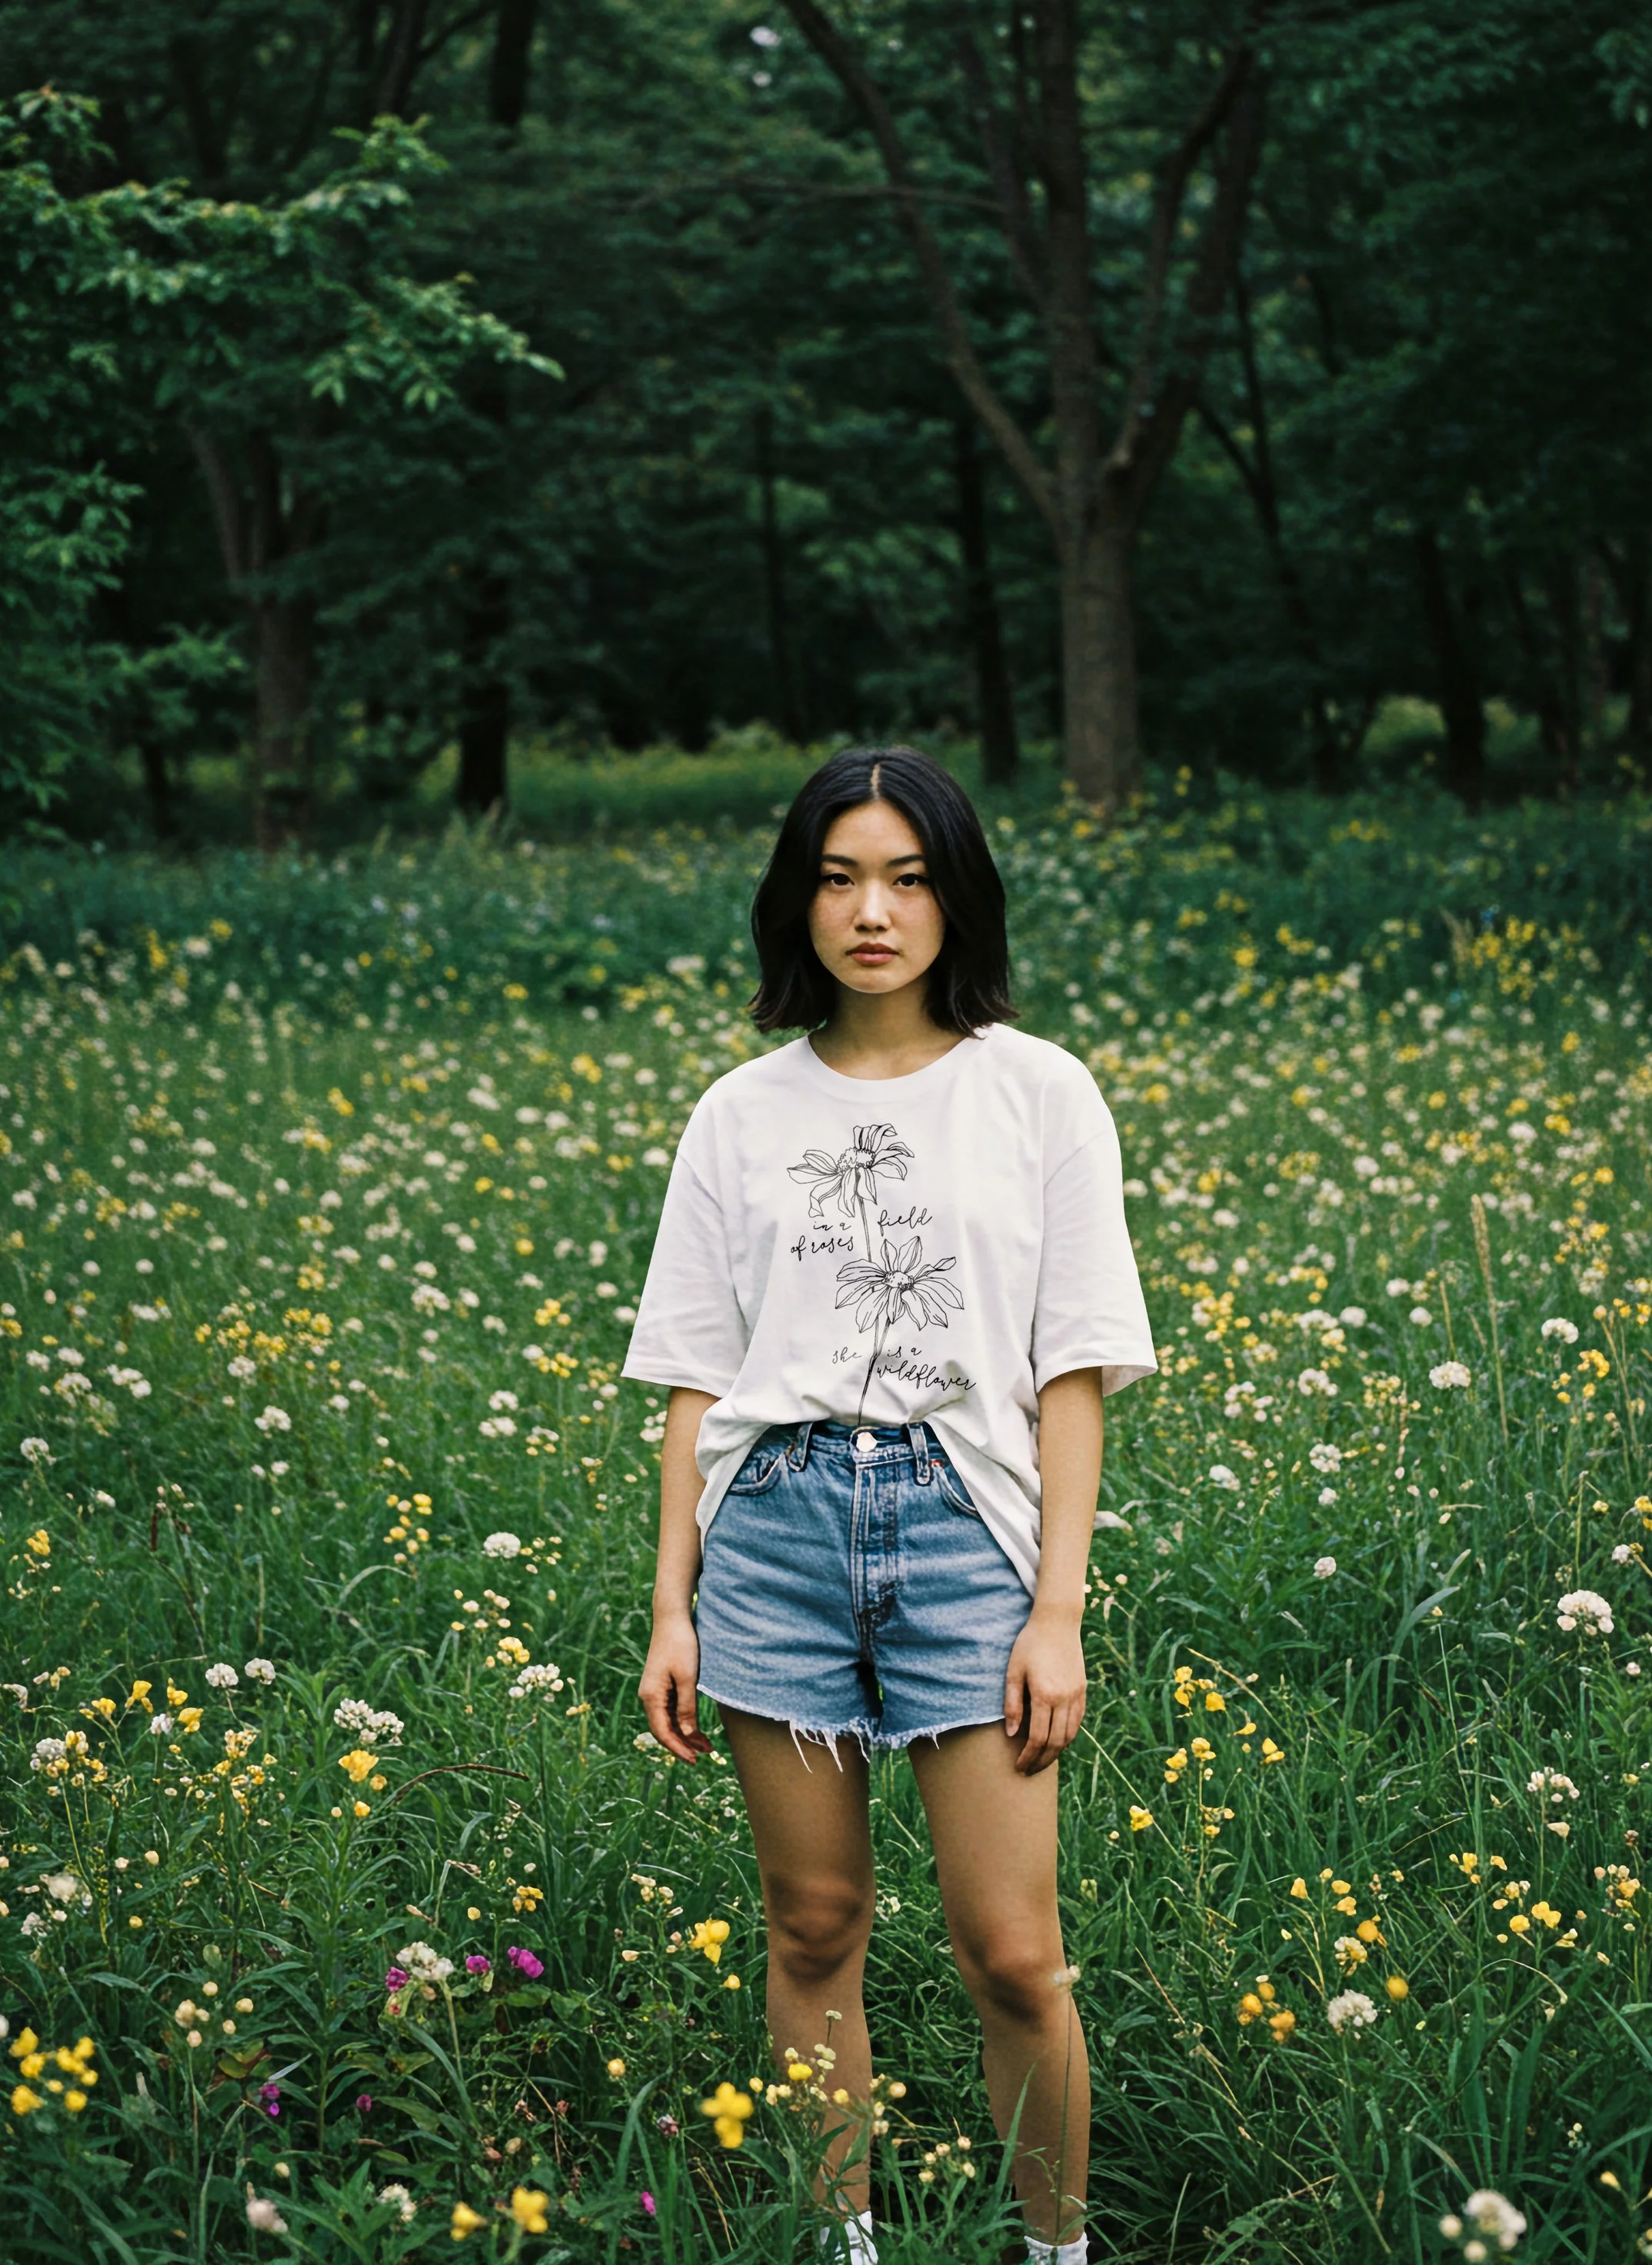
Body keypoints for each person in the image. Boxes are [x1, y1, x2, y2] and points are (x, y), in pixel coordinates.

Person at [624, 746, 1154, 2265]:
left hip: (964, 1534)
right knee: (810, 1926)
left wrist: (1055, 1613)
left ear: (954, 899)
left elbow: (1072, 1373)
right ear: (796, 901)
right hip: (774, 1532)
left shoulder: (1037, 1093)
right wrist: (672, 1603)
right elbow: (692, 1377)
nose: (872, 911)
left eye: (908, 878)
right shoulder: (737, 1113)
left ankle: (1052, 2251)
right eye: (839, 876)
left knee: (1012, 1950)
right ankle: (841, 2243)